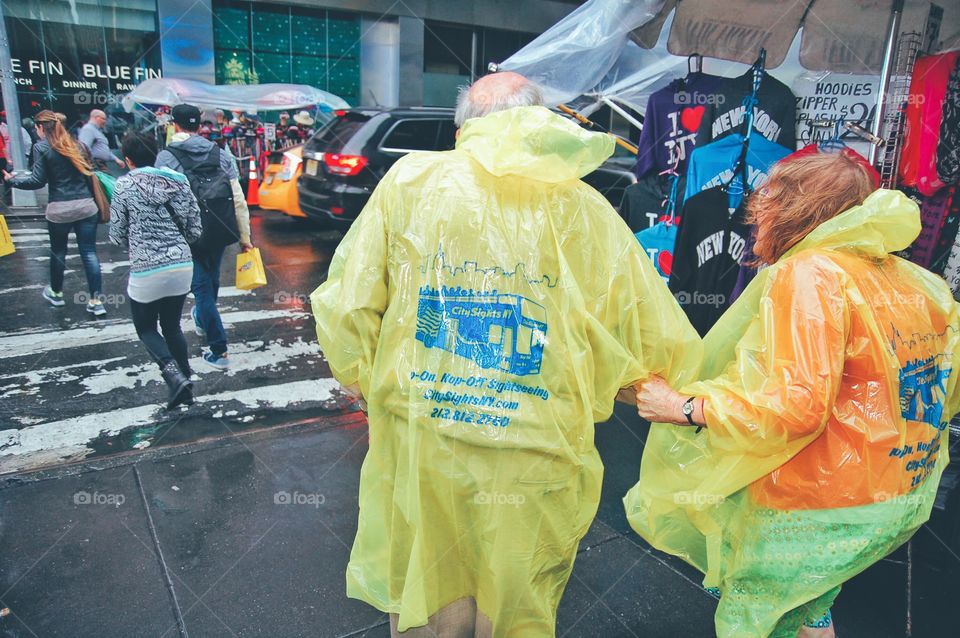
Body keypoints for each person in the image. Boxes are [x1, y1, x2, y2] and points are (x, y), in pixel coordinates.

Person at [310, 72, 701, 636]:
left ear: (462, 126)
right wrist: (681, 396)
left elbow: (351, 301)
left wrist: (367, 382)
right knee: (515, 591)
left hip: (426, 433)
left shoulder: (411, 182)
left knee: (430, 575)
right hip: (536, 444)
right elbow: (640, 322)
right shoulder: (582, 205)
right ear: (536, 120)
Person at [626, 153, 960, 638]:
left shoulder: (810, 274)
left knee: (756, 622)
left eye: (768, 195)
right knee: (809, 609)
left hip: (812, 504)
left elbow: (798, 405)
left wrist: (685, 408)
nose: (755, 208)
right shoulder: (914, 280)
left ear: (794, 207)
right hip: (896, 491)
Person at [155, 103, 253, 371]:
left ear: (175, 125)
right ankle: (202, 318)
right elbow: (238, 199)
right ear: (199, 126)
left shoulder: (166, 157)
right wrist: (245, 237)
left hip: (188, 233)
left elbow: (159, 202)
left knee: (200, 289)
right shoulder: (220, 154)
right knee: (209, 281)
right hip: (219, 229)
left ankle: (219, 349)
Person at [109, 132, 202, 408]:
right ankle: (185, 385)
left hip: (146, 270)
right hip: (181, 266)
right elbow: (195, 228)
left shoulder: (123, 186)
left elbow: (116, 235)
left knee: (147, 328)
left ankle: (174, 377)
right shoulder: (180, 181)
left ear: (127, 160)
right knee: (172, 326)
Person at [3, 110, 106, 316]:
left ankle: (56, 294)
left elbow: (37, 181)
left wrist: (11, 181)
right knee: (89, 253)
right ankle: (96, 301)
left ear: (41, 128)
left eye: (36, 128)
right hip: (86, 206)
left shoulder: (41, 147)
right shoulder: (78, 146)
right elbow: (89, 176)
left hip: (60, 209)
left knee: (59, 253)